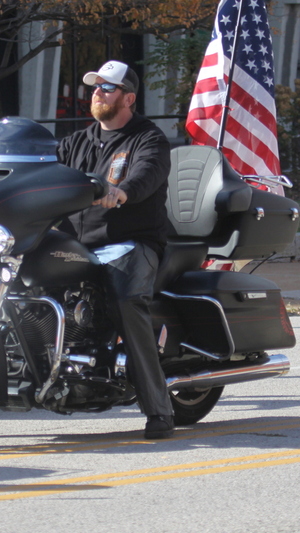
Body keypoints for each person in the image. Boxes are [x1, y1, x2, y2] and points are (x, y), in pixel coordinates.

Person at [56, 60, 174, 439]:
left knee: (127, 303)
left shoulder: (149, 138)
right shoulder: (75, 142)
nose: (97, 93)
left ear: (129, 98)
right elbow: (45, 174)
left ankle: (159, 408)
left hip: (131, 242)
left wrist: (121, 191)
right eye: (95, 86)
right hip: (78, 245)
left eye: (107, 88)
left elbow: (147, 173)